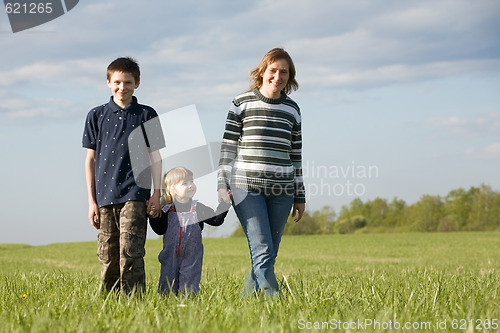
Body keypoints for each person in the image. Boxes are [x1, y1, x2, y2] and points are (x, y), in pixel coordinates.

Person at [217, 47, 306, 297]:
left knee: (268, 253)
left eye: (284, 72)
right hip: (246, 188)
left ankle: (246, 305)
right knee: (263, 250)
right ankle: (274, 302)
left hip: (283, 190)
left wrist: (300, 196)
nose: (278, 77)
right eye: (273, 70)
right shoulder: (241, 103)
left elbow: (296, 156)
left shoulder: (293, 110)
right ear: (263, 71)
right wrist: (222, 183)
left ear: (290, 77)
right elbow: (228, 148)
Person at [82, 57, 165, 295]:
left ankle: (134, 303)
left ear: (137, 83)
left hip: (136, 194)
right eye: (117, 82)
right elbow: (90, 160)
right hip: (105, 196)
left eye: (127, 82)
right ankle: (108, 304)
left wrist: (157, 193)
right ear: (108, 82)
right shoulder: (96, 115)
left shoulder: (147, 114)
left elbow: (155, 157)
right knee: (108, 255)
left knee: (131, 252)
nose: (122, 87)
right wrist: (91, 201)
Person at [149, 167, 231, 295]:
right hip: (170, 256)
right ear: (172, 189)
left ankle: (188, 307)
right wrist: (152, 216)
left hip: (192, 257)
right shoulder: (166, 210)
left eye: (191, 181)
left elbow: (216, 220)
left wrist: (225, 203)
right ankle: (166, 306)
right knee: (167, 284)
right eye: (185, 183)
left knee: (189, 286)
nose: (190, 185)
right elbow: (159, 230)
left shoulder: (197, 208)